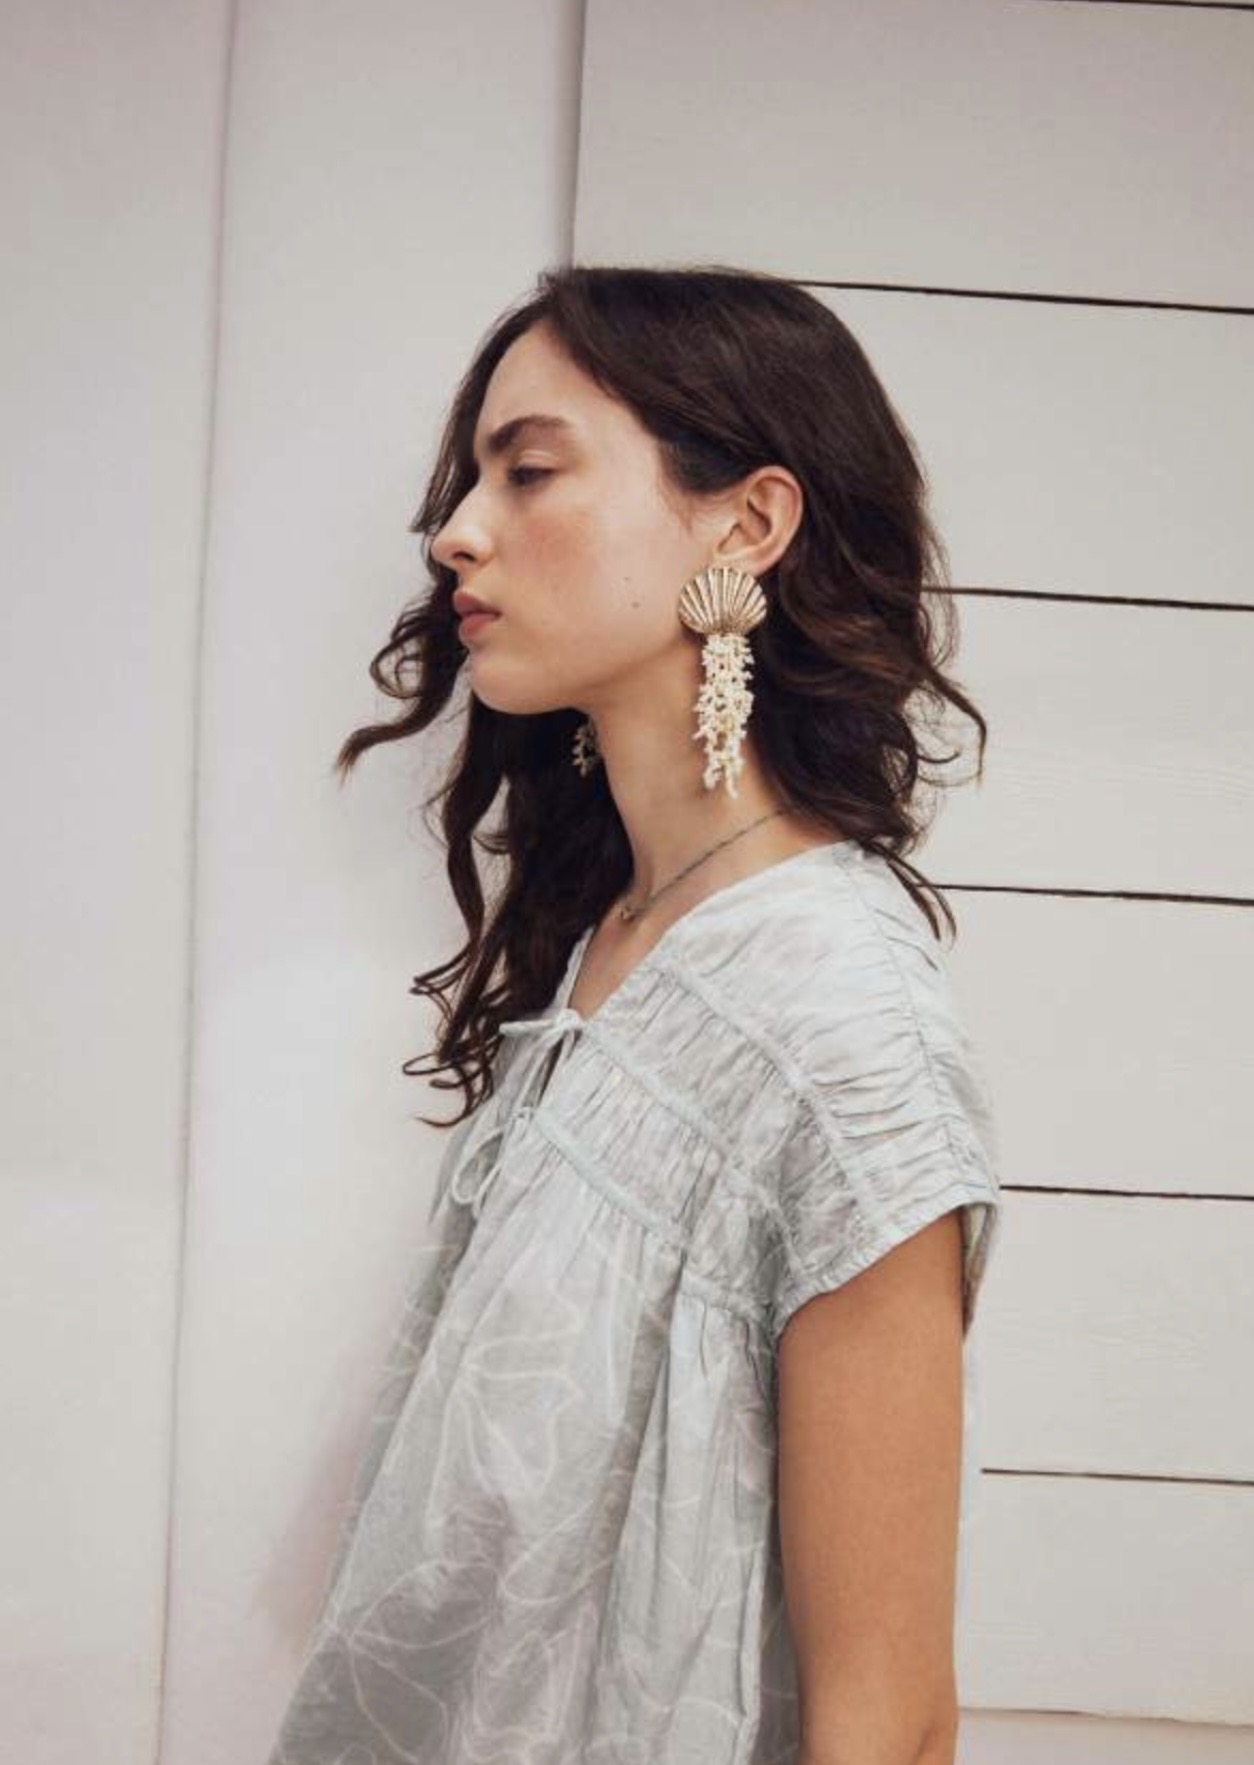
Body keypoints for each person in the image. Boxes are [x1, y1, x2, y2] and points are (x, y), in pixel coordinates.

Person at [265, 264, 1003, 1765]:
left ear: (747, 524)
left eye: (528, 471)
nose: (456, 530)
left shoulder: (838, 1022)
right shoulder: (617, 939)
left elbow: (889, 1715)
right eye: (472, 479)